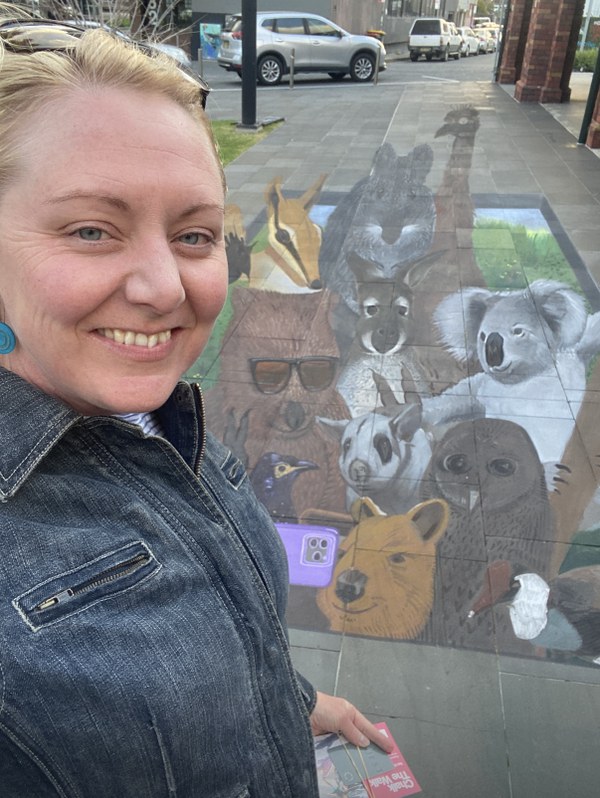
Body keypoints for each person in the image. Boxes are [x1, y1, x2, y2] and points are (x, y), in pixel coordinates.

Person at [0, 11, 392, 797]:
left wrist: (291, 702)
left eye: (194, 236)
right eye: (91, 230)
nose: (165, 288)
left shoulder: (161, 413)